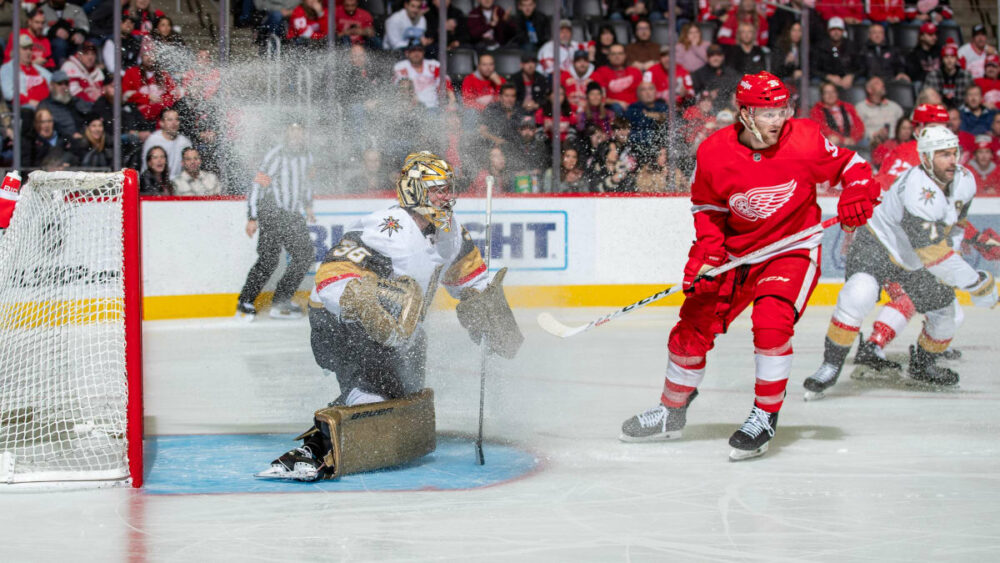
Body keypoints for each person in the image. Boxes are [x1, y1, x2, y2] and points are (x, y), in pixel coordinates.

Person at [619, 71, 879, 460]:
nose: (778, 120)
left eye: (782, 110)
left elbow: (852, 166)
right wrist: (706, 256)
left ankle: (764, 415)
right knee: (692, 327)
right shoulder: (713, 152)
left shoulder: (805, 138)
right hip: (735, 255)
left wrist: (857, 193)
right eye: (768, 113)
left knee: (772, 321)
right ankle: (671, 411)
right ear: (744, 113)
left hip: (790, 249)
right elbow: (708, 209)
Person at [255, 151, 521, 482]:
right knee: (373, 393)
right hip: (338, 323)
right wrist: (364, 304)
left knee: (405, 394)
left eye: (447, 189)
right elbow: (330, 275)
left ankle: (369, 428)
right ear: (415, 190)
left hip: (398, 331)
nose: (446, 196)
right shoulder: (387, 228)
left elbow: (469, 277)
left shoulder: (450, 229)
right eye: (437, 190)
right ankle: (312, 451)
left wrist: (486, 306)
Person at [804, 126, 995, 395]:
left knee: (947, 316)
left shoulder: (966, 180)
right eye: (943, 154)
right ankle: (830, 365)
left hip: (916, 258)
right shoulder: (918, 189)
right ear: (925, 158)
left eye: (954, 153)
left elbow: (956, 222)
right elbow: (933, 254)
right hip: (879, 245)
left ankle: (923, 366)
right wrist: (978, 284)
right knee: (858, 294)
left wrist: (965, 248)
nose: (952, 160)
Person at [237, 122, 317, 321]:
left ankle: (281, 300)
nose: (296, 135)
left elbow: (306, 183)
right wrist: (252, 217)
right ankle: (245, 301)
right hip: (272, 212)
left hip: (292, 214)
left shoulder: (307, 157)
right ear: (286, 134)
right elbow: (257, 185)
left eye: (299, 131)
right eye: (292, 131)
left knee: (305, 255)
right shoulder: (276, 155)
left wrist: (308, 205)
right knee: (269, 259)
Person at [392, 41, 450, 110]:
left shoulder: (434, 65)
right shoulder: (401, 67)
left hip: (434, 107)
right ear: (407, 53)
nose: (416, 53)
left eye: (419, 50)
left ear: (423, 52)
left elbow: (446, 84)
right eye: (413, 51)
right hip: (411, 108)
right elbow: (400, 87)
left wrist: (451, 103)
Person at [810, 81, 865, 150]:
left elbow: (859, 125)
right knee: (832, 140)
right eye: (826, 92)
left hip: (852, 140)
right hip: (832, 141)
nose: (830, 95)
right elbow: (823, 128)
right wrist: (843, 140)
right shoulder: (817, 110)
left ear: (837, 93)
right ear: (822, 95)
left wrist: (854, 139)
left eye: (833, 92)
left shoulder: (848, 107)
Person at [0, 34, 51, 108]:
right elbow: (8, 93)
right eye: (25, 49)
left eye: (30, 49)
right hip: (26, 107)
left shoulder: (39, 69)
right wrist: (28, 101)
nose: (28, 52)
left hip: (46, 105)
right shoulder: (7, 68)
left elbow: (53, 81)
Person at [591, 43, 643, 113]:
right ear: (608, 56)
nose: (617, 56)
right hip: (613, 108)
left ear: (625, 55)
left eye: (620, 53)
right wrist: (617, 102)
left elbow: (642, 94)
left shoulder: (635, 71)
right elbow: (599, 97)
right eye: (613, 54)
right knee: (616, 107)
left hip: (634, 107)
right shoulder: (601, 72)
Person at [141, 108, 192, 180]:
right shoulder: (153, 140)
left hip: (179, 183)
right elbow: (146, 167)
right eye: (170, 120)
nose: (174, 123)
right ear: (161, 123)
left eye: (177, 119)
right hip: (155, 182)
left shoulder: (185, 142)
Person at [854, 76, 904, 148]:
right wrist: (875, 134)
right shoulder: (860, 108)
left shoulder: (895, 107)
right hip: (872, 142)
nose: (882, 85)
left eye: (882, 83)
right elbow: (858, 130)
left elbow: (903, 126)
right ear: (869, 89)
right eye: (877, 83)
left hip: (894, 142)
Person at [38, 70, 87, 140]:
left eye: (66, 84)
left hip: (84, 138)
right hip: (62, 141)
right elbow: (45, 128)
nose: (64, 87)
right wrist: (70, 135)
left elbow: (89, 115)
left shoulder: (76, 101)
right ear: (51, 86)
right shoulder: (45, 105)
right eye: (59, 83)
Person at [813, 17, 860, 90]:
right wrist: (828, 76)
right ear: (828, 31)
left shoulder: (851, 46)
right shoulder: (820, 47)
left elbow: (861, 66)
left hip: (846, 79)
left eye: (839, 29)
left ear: (843, 31)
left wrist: (851, 76)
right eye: (833, 29)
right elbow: (813, 68)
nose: (836, 32)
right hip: (826, 79)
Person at [925, 42, 974, 109]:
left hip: (961, 110)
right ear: (942, 59)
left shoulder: (966, 76)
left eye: (952, 57)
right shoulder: (933, 76)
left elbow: (971, 96)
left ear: (956, 59)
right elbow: (927, 97)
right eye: (946, 57)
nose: (949, 60)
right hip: (938, 109)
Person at [61, 41, 102, 106]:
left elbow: (101, 92)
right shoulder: (69, 66)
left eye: (93, 54)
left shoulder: (96, 71)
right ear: (79, 55)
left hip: (93, 105)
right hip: (73, 107)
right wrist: (93, 103)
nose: (90, 57)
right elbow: (74, 93)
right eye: (86, 54)